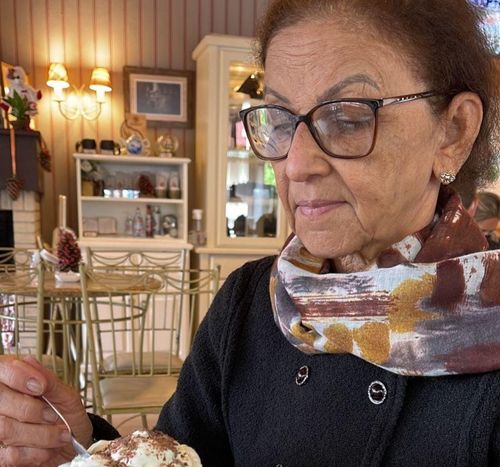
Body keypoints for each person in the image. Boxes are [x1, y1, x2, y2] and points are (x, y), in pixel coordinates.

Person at [1, 0, 500, 465]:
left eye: (347, 117)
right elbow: (182, 453)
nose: (295, 164)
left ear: (454, 132)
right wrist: (86, 444)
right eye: (282, 120)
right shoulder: (249, 301)